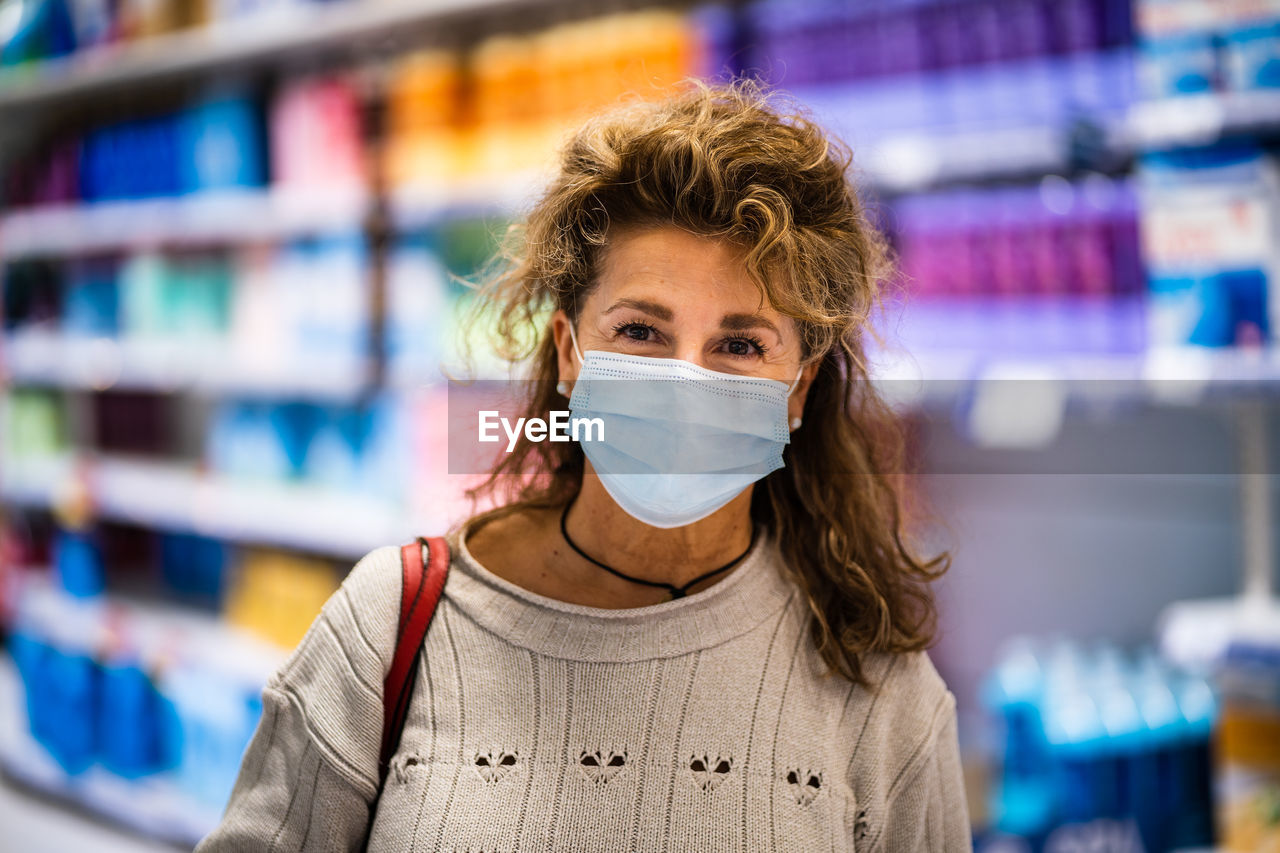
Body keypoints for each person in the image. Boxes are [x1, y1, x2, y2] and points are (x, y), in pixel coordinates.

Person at [197, 78, 970, 852]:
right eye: (640, 331)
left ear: (798, 388)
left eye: (740, 344)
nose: (686, 380)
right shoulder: (393, 625)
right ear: (570, 352)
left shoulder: (883, 698)